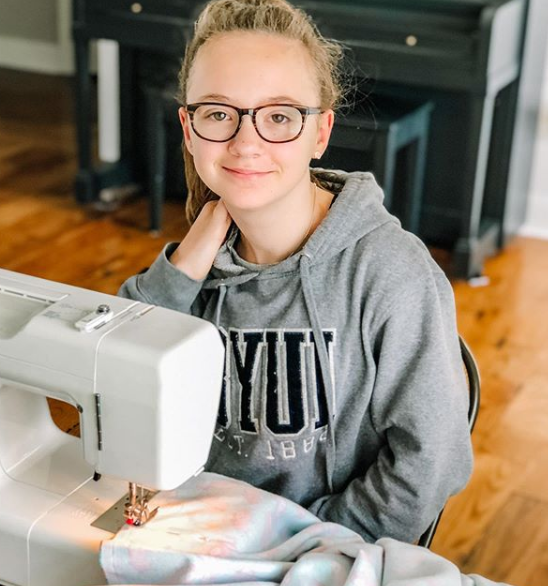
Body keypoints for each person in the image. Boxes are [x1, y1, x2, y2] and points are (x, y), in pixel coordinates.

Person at [119, 0, 473, 543]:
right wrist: (185, 265)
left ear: (321, 132)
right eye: (218, 113)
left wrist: (308, 544)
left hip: (319, 554)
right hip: (196, 538)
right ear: (188, 129)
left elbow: (431, 464)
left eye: (279, 116)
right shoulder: (195, 266)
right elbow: (119, 365)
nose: (246, 141)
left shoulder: (391, 273)